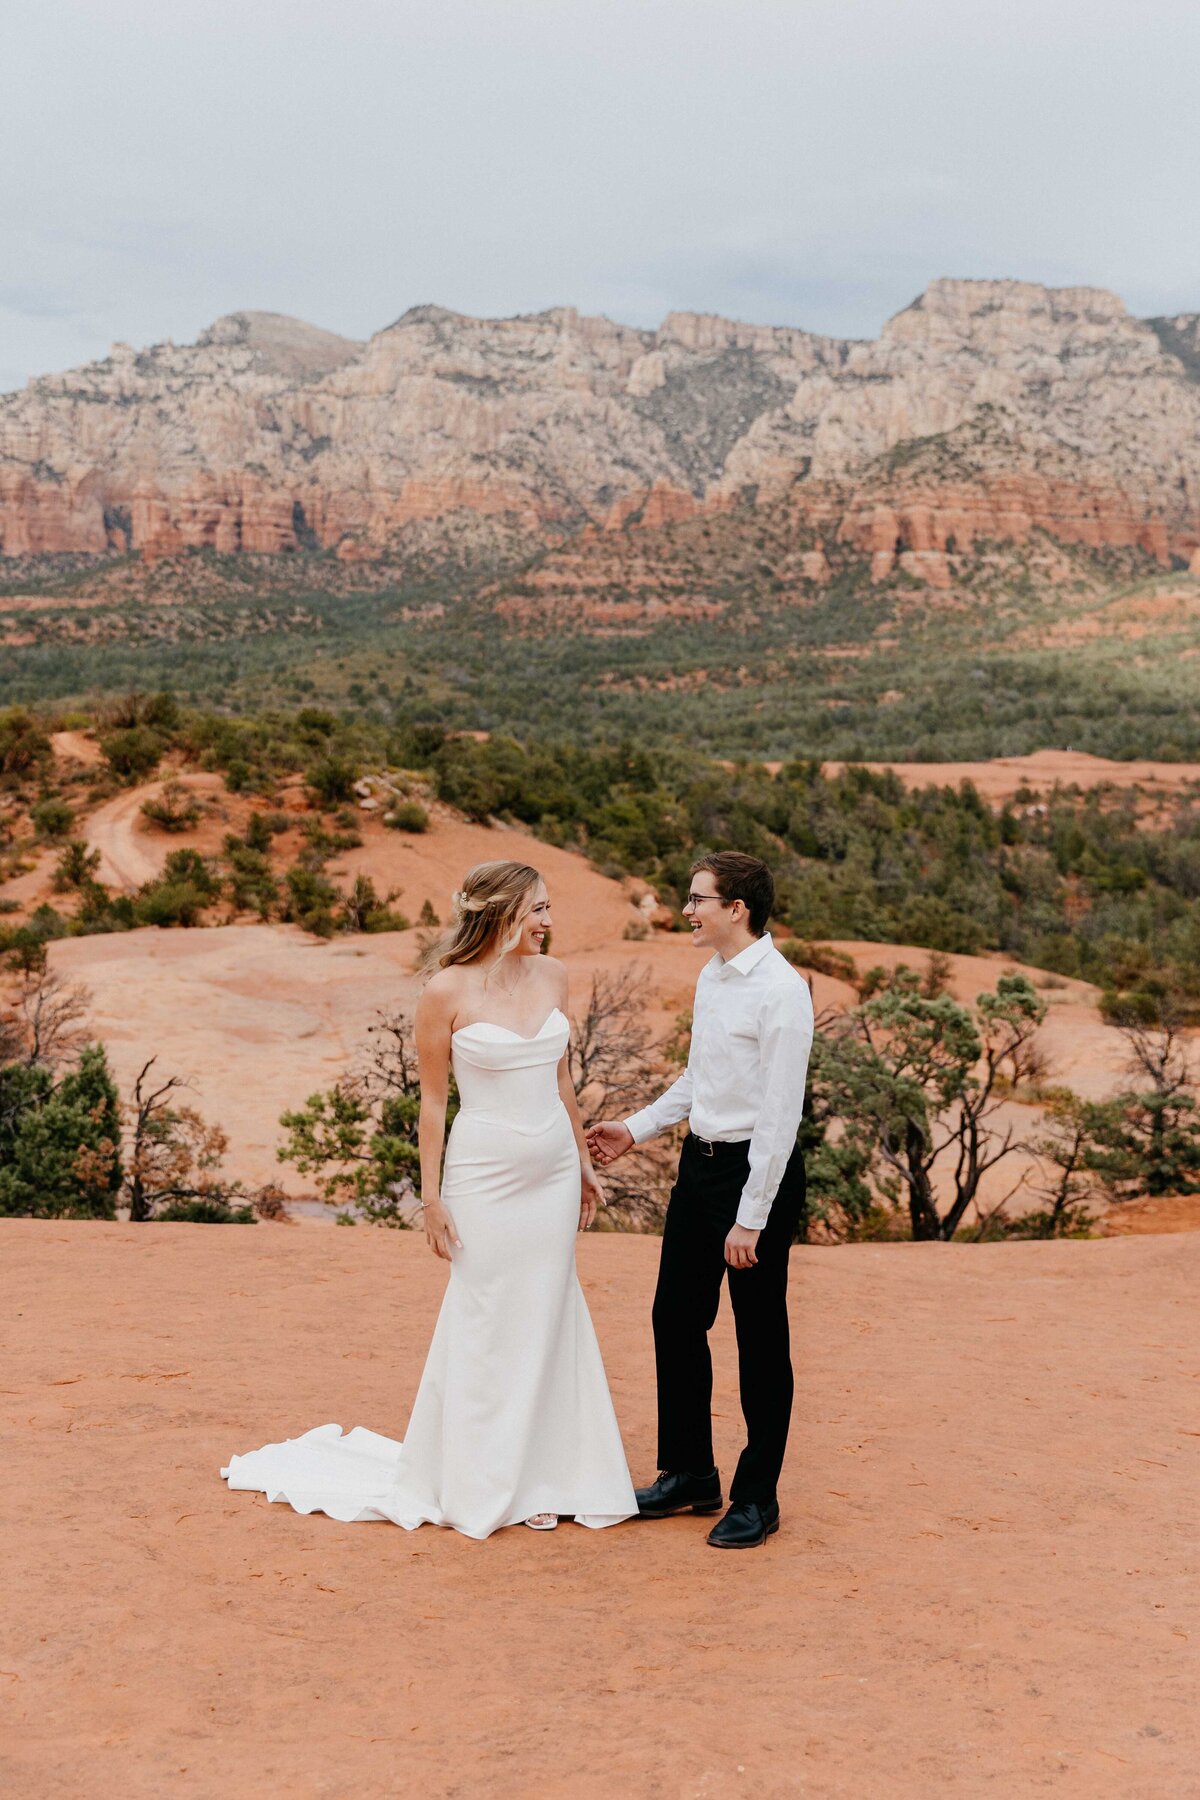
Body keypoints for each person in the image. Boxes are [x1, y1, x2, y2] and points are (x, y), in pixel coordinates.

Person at [222, 860, 636, 1539]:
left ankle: (544, 1477)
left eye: (549, 910)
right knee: (486, 1315)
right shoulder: (446, 991)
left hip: (554, 1176)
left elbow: (560, 1077)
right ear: (500, 913)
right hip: (483, 1178)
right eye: (536, 911)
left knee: (549, 1309)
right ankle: (482, 1477)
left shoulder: (555, 976)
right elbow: (434, 1103)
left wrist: (583, 1163)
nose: (548, 923)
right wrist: (433, 1199)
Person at [587, 852, 812, 1549]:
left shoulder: (781, 990)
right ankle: (689, 1473)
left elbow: (779, 1116)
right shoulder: (712, 978)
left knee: (759, 1337)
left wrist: (752, 1216)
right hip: (700, 1165)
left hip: (755, 1174)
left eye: (697, 899)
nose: (686, 910)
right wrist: (635, 1128)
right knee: (676, 1317)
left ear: (735, 909)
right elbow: (700, 1080)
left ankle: (757, 1496)